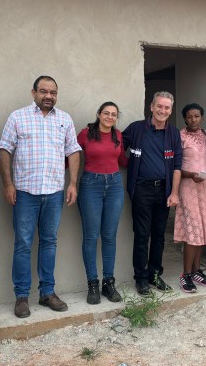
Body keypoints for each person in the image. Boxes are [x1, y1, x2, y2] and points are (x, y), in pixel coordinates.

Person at [0, 75, 81, 318]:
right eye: (43, 91)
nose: (49, 96)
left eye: (53, 92)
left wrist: (73, 183)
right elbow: (4, 149)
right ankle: (22, 296)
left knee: (49, 242)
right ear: (33, 92)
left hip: (54, 192)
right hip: (25, 193)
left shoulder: (64, 119)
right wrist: (8, 183)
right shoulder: (18, 117)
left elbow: (73, 151)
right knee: (23, 243)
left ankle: (47, 292)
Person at [123, 91, 182, 296]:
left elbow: (177, 165)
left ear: (170, 110)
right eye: (159, 106)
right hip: (141, 190)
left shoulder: (173, 133)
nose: (162, 110)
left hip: (164, 191)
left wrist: (174, 193)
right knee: (142, 236)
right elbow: (116, 147)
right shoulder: (136, 129)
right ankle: (140, 279)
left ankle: (155, 275)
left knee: (159, 236)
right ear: (151, 107)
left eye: (167, 108)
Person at [77, 101, 128, 304]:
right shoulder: (85, 133)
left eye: (114, 114)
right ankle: (92, 284)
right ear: (98, 114)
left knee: (109, 236)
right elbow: (70, 155)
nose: (109, 117)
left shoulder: (118, 135)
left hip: (115, 184)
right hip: (91, 184)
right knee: (91, 236)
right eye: (106, 113)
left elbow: (122, 160)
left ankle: (108, 283)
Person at [174, 103, 206, 293]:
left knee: (201, 229)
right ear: (185, 118)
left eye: (197, 116)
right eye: (189, 116)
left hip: (205, 188)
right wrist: (190, 175)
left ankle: (196, 271)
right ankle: (186, 274)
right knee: (192, 231)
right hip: (188, 186)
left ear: (201, 117)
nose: (193, 120)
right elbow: (174, 165)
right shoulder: (179, 137)